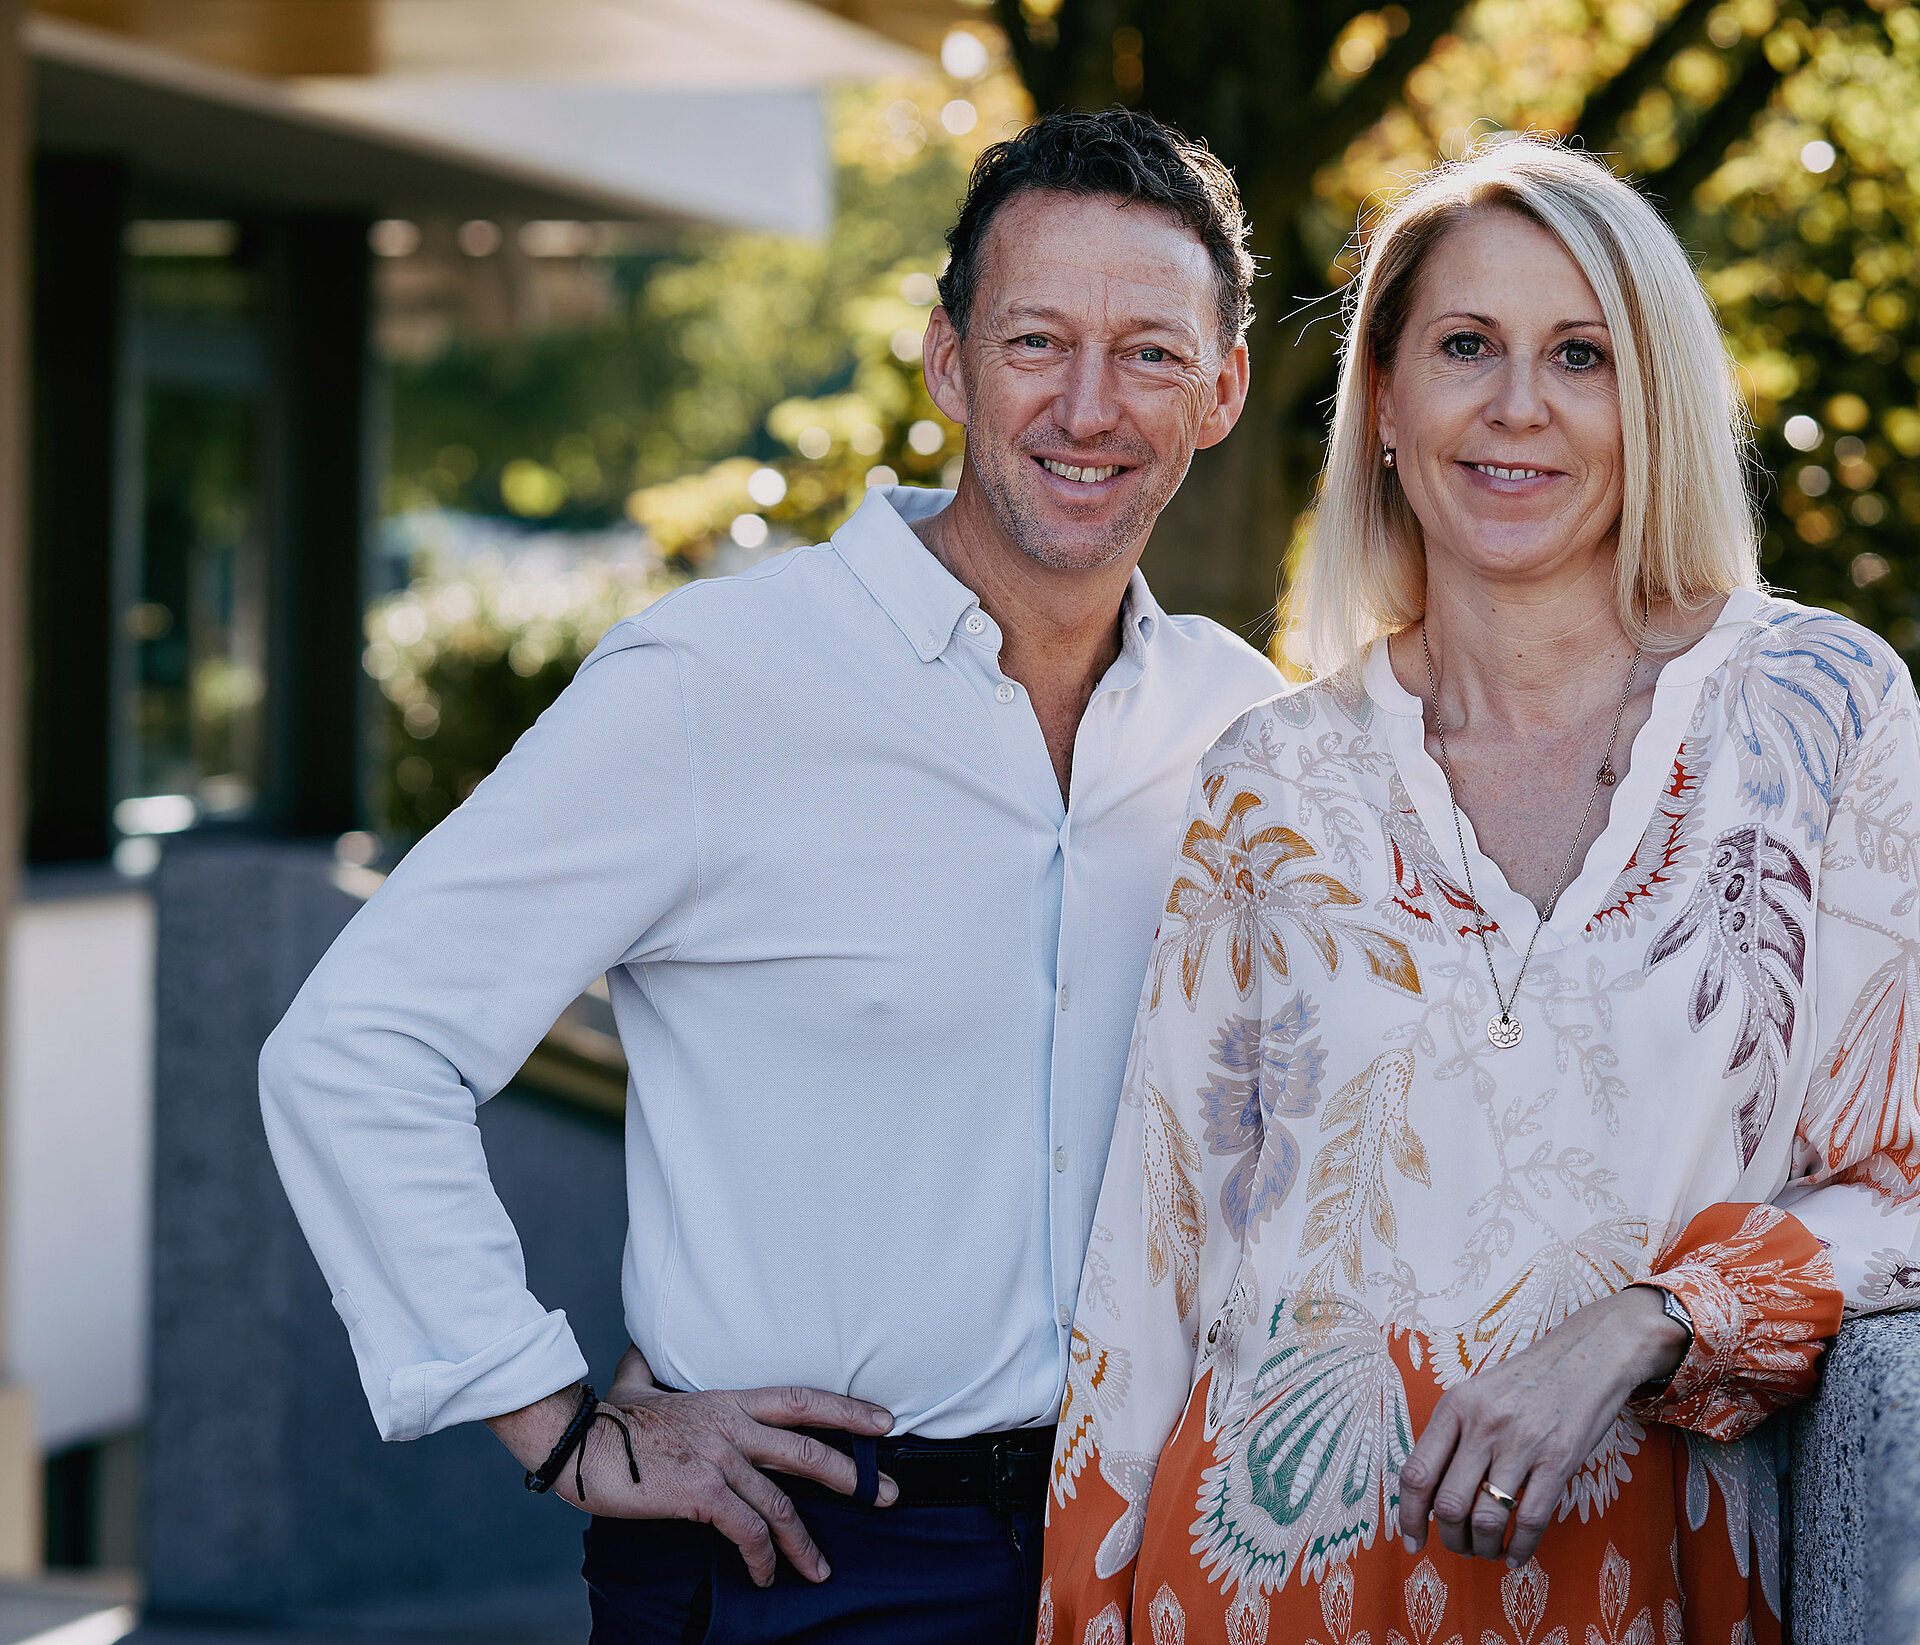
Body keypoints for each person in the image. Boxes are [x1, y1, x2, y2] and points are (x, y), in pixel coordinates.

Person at [258, 108, 1282, 1645]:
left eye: (1148, 352)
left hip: (1152, 1559)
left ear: (1222, 391)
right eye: (1034, 341)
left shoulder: (1246, 728)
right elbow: (357, 1046)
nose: (1088, 404)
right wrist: (555, 1426)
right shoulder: (713, 683)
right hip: (805, 1567)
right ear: (947, 362)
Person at [1039, 134, 1920, 1645]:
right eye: (1465, 346)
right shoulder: (1271, 778)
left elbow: (1903, 1177)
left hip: (1642, 1589)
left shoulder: (1821, 712)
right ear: (1384, 399)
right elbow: (1148, 1278)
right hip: (1256, 1594)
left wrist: (1654, 1320)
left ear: (1651, 404)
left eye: (1580, 353)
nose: (1518, 407)